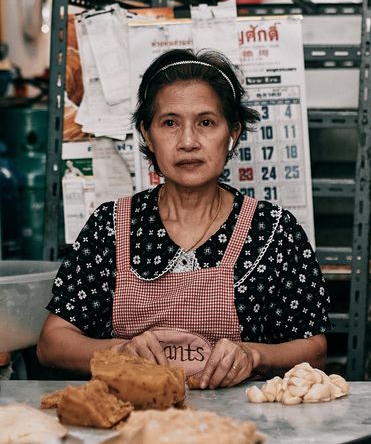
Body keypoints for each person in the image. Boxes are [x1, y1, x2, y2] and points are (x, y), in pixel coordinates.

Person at [38, 49, 330, 389]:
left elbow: (316, 349)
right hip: (129, 421)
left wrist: (253, 356)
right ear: (147, 134)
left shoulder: (274, 231)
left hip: (243, 426)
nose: (188, 141)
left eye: (206, 123)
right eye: (170, 123)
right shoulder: (110, 226)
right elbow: (52, 344)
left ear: (232, 134)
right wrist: (120, 351)